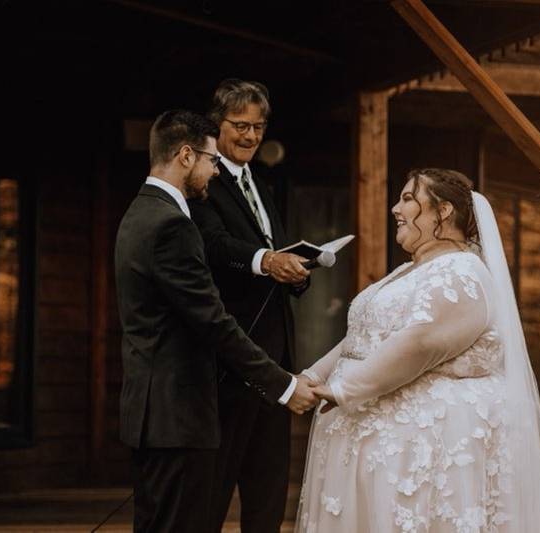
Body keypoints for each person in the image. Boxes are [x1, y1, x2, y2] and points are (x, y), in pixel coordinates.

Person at [297, 168, 540, 532]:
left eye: (407, 198)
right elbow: (363, 335)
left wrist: (344, 389)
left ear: (443, 211)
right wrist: (313, 375)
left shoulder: (462, 273)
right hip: (374, 443)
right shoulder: (409, 271)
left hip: (416, 453)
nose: (394, 208)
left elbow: (420, 342)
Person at [114, 110, 317, 533]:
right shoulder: (172, 225)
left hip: (153, 416)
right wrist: (283, 385)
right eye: (210, 160)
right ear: (186, 156)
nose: (213, 171)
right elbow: (213, 322)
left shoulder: (139, 212)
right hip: (179, 417)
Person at [189, 79, 310, 533]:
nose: (251, 136)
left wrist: (297, 272)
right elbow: (214, 244)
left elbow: (275, 249)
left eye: (258, 127)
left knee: (268, 490)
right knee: (216, 488)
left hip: (275, 363)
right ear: (217, 124)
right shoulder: (202, 180)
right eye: (240, 125)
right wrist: (266, 261)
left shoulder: (261, 183)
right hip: (230, 363)